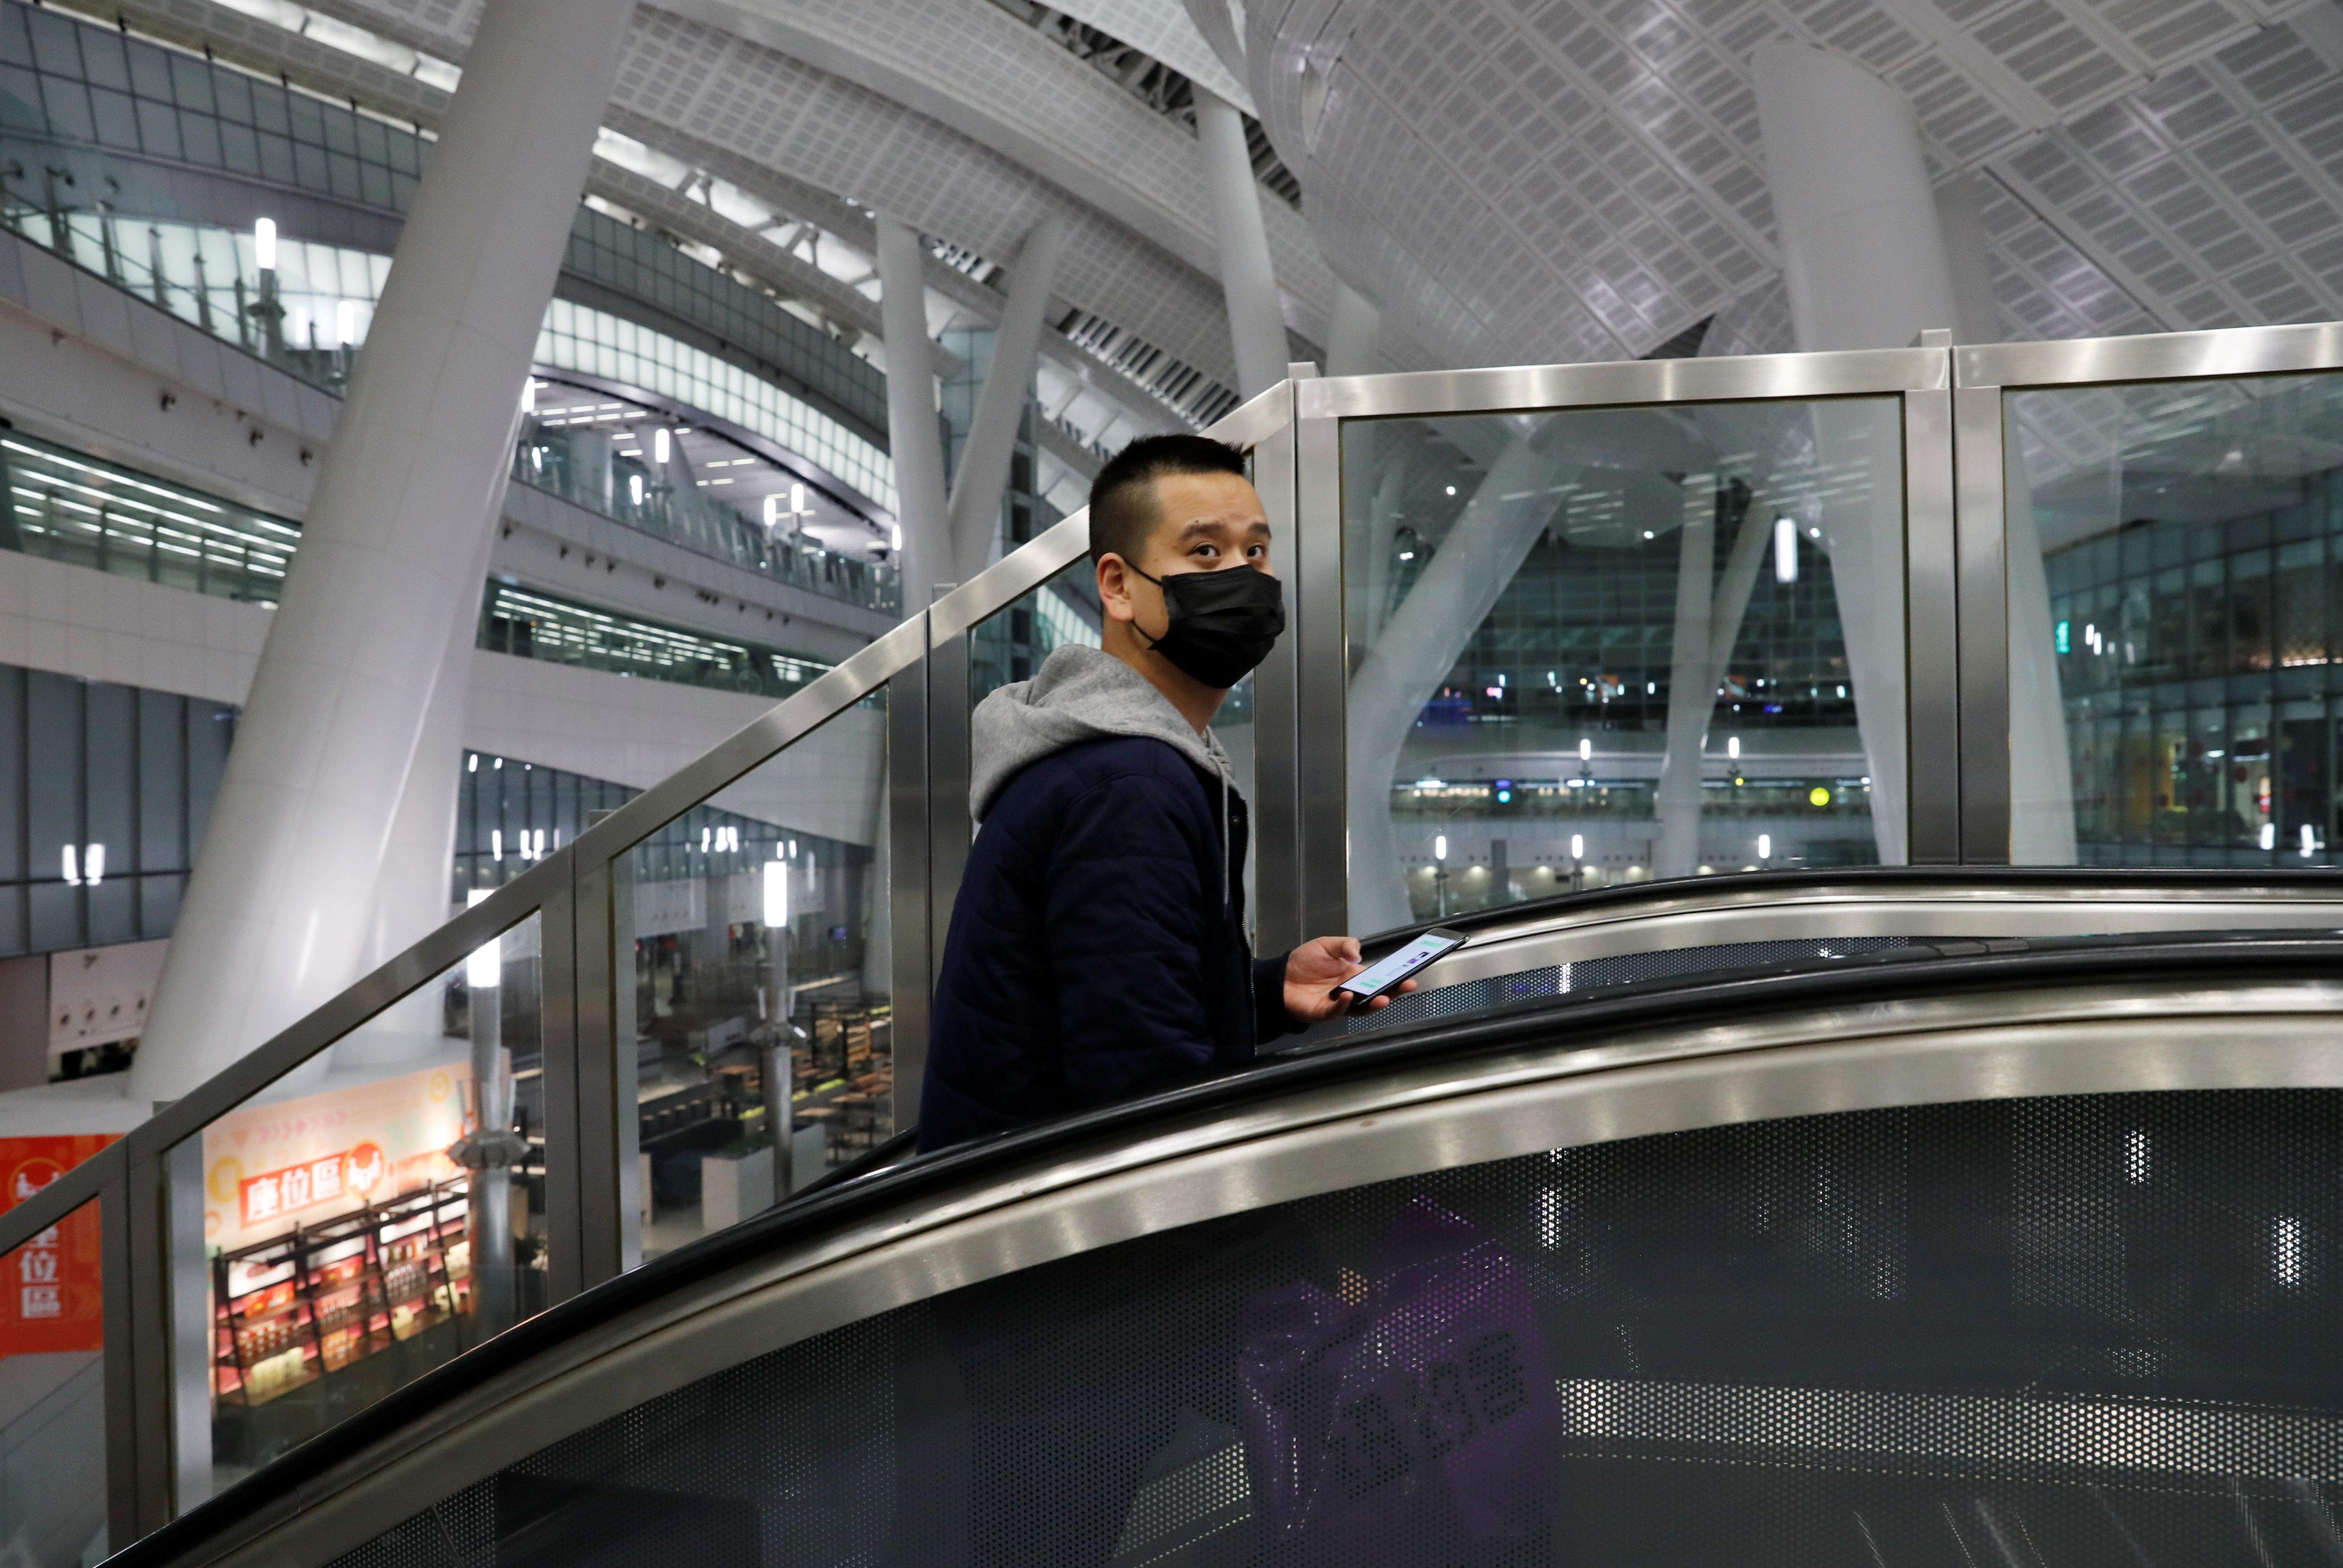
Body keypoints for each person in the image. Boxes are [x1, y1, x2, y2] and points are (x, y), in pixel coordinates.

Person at [917, 433, 1409, 1152]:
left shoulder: (1122, 759)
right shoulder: (1128, 787)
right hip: (1065, 1239)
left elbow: (1118, 998)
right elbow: (1147, 1096)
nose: (1243, 576)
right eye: (1205, 553)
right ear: (1117, 586)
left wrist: (1270, 991)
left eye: (1256, 552)